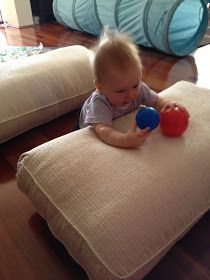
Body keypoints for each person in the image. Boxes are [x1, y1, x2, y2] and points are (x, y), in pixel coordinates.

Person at [79, 28, 189, 148]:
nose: (131, 94)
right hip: (85, 125)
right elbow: (103, 130)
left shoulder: (139, 89)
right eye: (121, 91)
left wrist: (169, 105)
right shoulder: (99, 103)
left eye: (135, 85)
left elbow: (157, 101)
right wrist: (124, 140)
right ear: (100, 87)